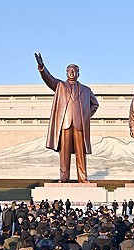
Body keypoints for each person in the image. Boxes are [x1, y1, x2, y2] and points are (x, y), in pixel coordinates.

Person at [35, 52, 99, 183]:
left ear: (78, 73)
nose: (71, 73)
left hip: (80, 125)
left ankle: (83, 178)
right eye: (69, 71)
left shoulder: (86, 90)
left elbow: (95, 104)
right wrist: (42, 67)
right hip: (65, 124)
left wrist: (86, 116)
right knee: (64, 153)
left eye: (74, 71)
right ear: (66, 73)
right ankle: (64, 177)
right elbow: (49, 79)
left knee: (81, 153)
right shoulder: (60, 86)